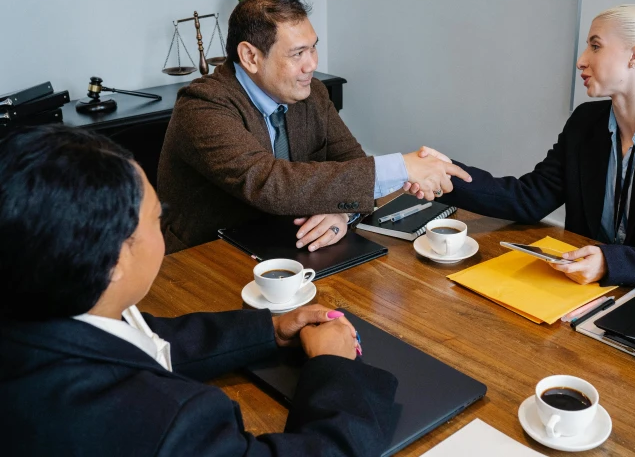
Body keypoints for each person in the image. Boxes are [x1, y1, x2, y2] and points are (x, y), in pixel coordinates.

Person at [0, 125, 398, 456]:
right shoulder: (167, 419)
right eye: (157, 219)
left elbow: (142, 338)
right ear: (114, 261)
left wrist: (269, 330)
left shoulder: (35, 311)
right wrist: (335, 366)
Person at [408, 5, 635, 287]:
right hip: (578, 294)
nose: (581, 60)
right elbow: (529, 198)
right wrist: (445, 175)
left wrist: (612, 263)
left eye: (595, 46)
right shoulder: (586, 123)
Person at [158, 0, 470, 254]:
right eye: (297, 54)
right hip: (205, 261)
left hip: (292, 249)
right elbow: (269, 183)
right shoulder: (202, 105)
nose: (313, 64)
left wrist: (340, 216)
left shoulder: (313, 93)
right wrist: (402, 167)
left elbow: (352, 163)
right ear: (251, 57)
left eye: (313, 47)